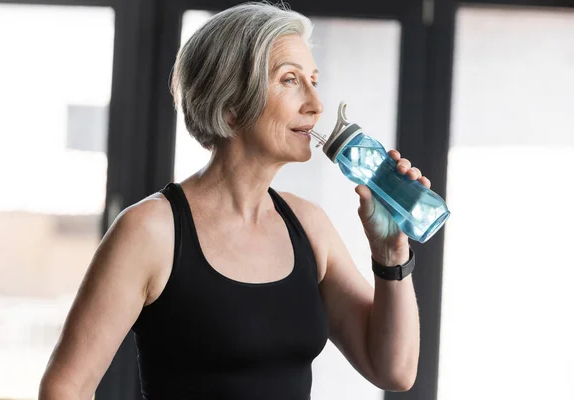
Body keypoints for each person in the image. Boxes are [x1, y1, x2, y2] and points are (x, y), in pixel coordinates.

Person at [39, 2, 430, 399]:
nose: (316, 103)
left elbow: (394, 371)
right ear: (230, 108)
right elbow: (64, 388)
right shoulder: (150, 231)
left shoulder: (309, 226)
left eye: (313, 79)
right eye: (290, 80)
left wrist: (390, 254)